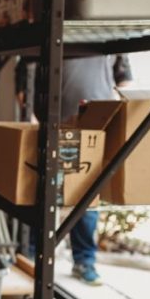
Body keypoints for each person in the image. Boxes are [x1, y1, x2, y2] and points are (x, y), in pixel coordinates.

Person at [61, 54, 132, 285]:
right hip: (56, 122)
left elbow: (124, 79)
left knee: (87, 196)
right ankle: (30, 255)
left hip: (96, 126)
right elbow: (26, 72)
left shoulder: (114, 39)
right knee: (39, 192)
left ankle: (84, 261)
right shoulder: (59, 28)